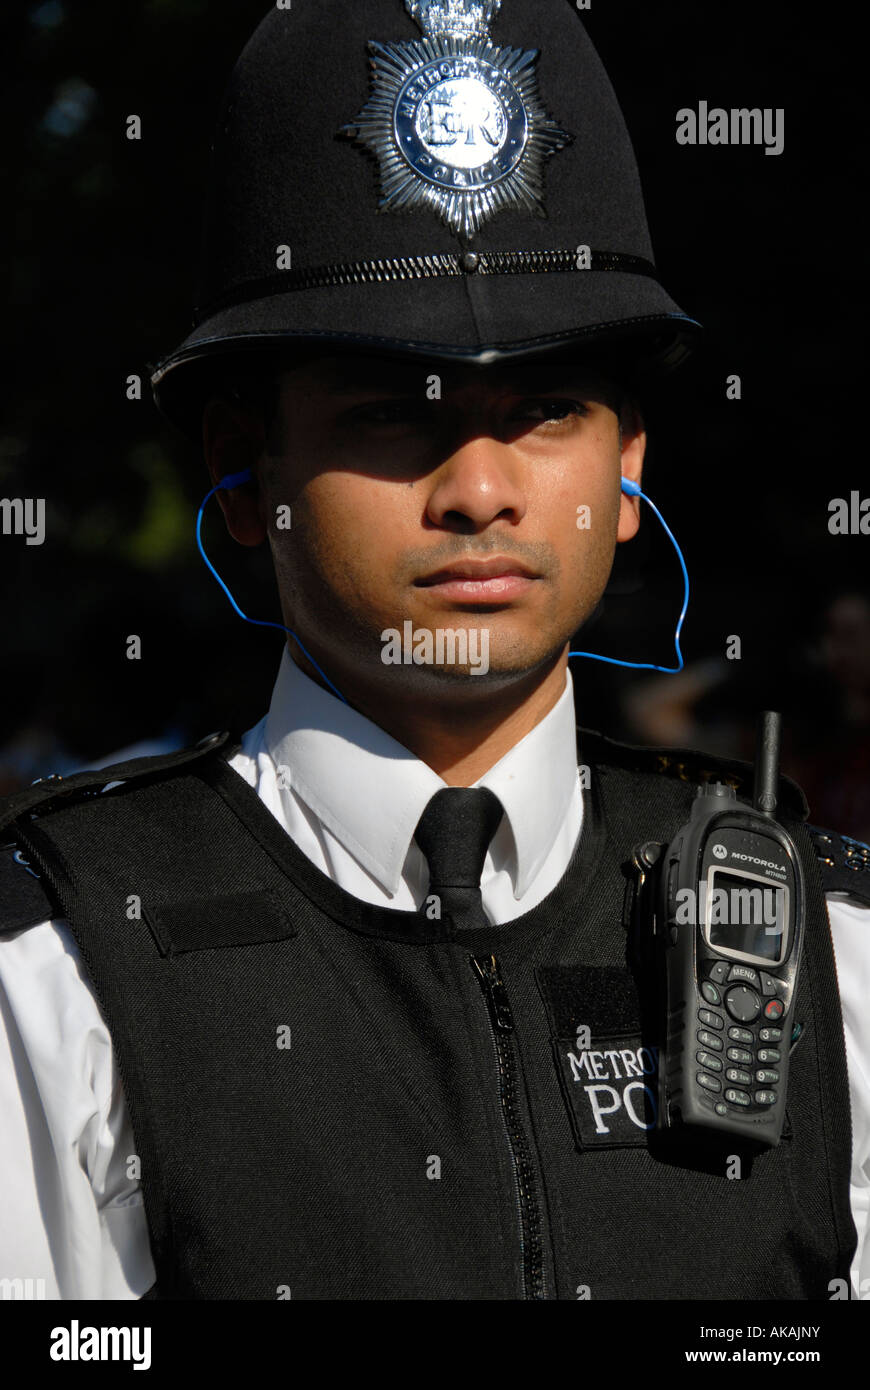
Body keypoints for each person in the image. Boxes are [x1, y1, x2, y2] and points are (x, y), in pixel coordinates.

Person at [1, 0, 867, 1301]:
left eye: (542, 410)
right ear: (243, 472)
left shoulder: (836, 950)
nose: (478, 489)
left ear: (627, 467)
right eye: (391, 414)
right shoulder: (56, 967)